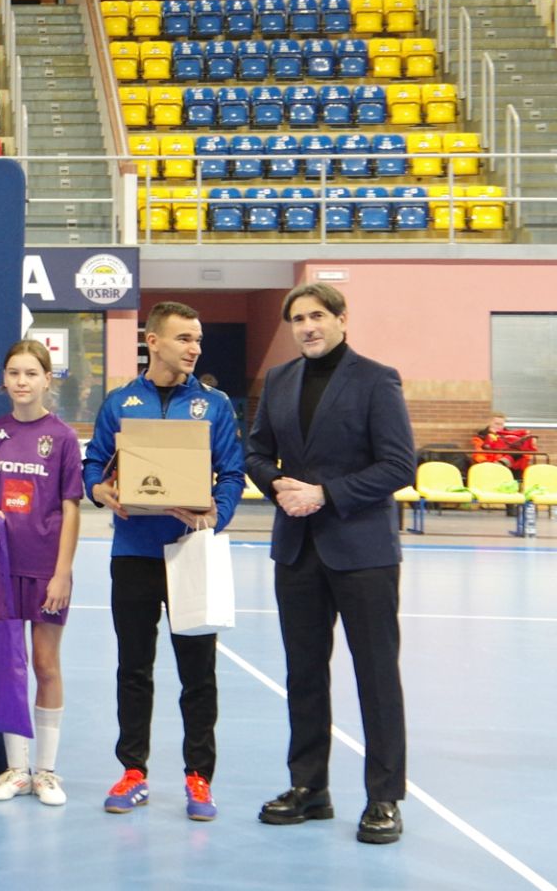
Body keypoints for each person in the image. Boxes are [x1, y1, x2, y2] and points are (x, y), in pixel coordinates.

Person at [248, 284, 416, 845]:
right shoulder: (279, 380)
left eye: (317, 315)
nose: (307, 327)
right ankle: (309, 788)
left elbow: (399, 465)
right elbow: (255, 452)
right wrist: (278, 485)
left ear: (342, 318)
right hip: (297, 549)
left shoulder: (377, 379)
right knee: (303, 674)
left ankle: (384, 797)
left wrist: (325, 494)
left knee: (376, 676)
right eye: (297, 319)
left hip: (363, 552)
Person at [83, 301, 245, 822]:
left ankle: (199, 777)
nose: (194, 348)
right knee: (134, 668)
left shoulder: (215, 405)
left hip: (191, 553)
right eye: (183, 338)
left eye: (198, 339)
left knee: (199, 673)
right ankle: (133, 771)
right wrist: (100, 491)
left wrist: (214, 515)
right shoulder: (120, 403)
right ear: (152, 341)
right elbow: (94, 464)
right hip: (133, 552)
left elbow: (232, 473)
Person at [0, 340, 83, 806]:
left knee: (44, 664)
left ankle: (47, 772)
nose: (22, 381)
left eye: (31, 373)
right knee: (9, 664)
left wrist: (62, 573)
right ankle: (17, 770)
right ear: (4, 380)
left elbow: (71, 507)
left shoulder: (61, 437)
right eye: (14, 373)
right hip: (1, 567)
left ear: (47, 379)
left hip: (45, 568)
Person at [471, 412, 535, 474]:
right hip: (490, 462)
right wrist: (485, 462)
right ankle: (500, 464)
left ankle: (502, 463)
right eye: (496, 424)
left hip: (509, 464)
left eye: (501, 424)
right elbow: (478, 452)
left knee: (519, 451)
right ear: (490, 423)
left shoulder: (509, 435)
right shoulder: (482, 436)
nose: (499, 426)